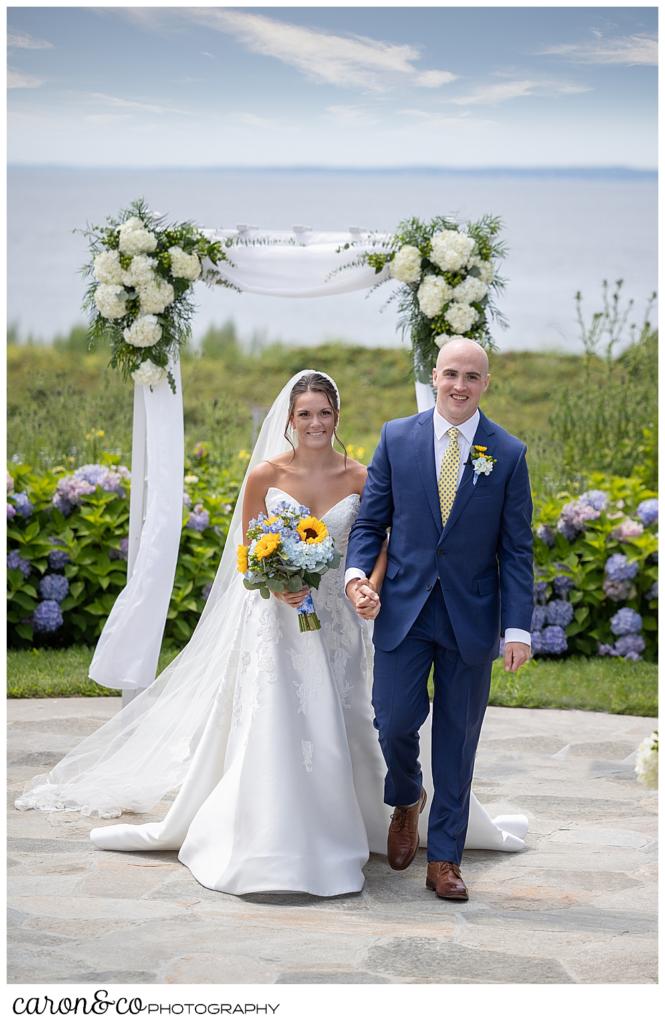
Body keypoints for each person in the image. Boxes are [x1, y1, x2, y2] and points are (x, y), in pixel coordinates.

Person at [15, 369, 528, 897]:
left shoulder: (364, 472)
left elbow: (377, 534)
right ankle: (289, 828)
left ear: (337, 418)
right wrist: (278, 582)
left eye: (324, 413)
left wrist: (364, 585)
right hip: (280, 618)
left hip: (343, 617)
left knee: (368, 717)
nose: (314, 423)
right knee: (298, 720)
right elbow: (249, 551)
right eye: (304, 414)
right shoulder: (264, 475)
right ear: (289, 419)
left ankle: (427, 844)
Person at [345, 339, 534, 901]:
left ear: (485, 383)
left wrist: (517, 629)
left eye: (471, 376)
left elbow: (517, 549)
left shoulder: (509, 452)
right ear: (434, 375)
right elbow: (369, 522)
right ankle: (407, 796)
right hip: (404, 609)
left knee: (458, 740)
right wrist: (358, 575)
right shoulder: (396, 436)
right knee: (393, 718)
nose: (460, 385)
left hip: (471, 618)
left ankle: (446, 859)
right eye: (451, 373)